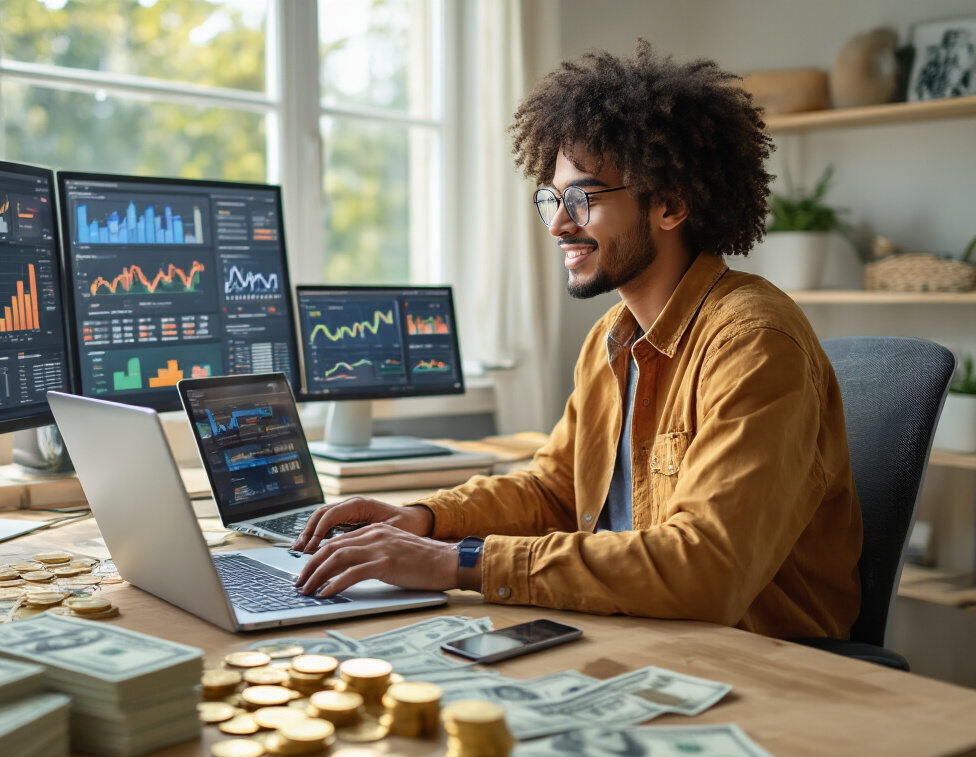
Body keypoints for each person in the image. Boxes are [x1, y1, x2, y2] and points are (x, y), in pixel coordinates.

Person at [291, 41, 861, 640]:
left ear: (671, 205)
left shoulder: (753, 343)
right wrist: (423, 519)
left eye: (581, 199)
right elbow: (553, 492)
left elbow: (707, 568)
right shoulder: (610, 339)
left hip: (754, 658)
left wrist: (458, 562)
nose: (559, 224)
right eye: (552, 200)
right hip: (634, 634)